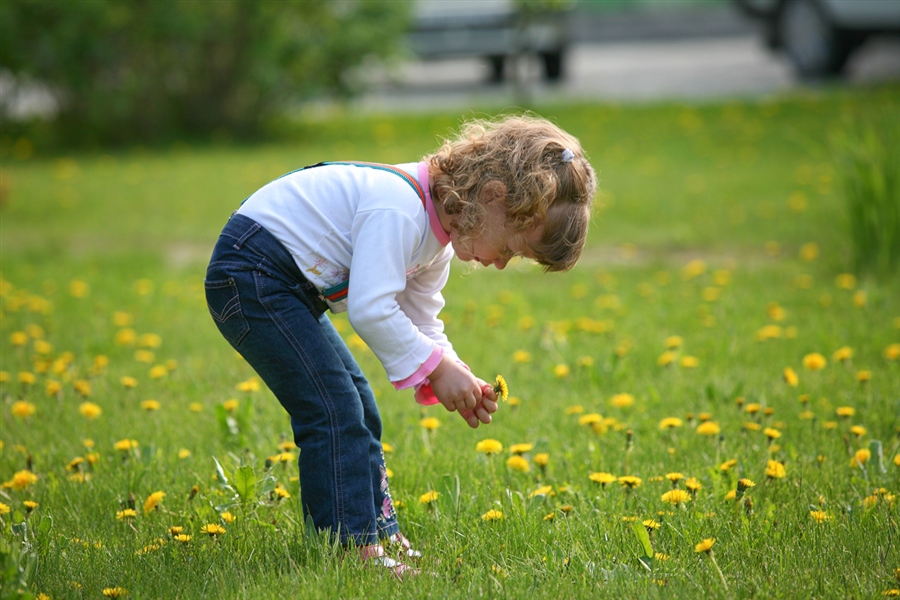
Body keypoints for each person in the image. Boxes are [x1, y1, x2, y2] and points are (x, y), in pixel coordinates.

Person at [204, 114, 597, 577]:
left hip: (284, 284)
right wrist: (436, 369)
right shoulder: (399, 207)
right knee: (333, 409)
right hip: (251, 274)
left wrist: (453, 369)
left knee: (359, 407)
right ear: (493, 197)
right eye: (511, 249)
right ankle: (350, 550)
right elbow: (372, 308)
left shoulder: (438, 239)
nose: (502, 264)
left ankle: (377, 531)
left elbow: (421, 318)